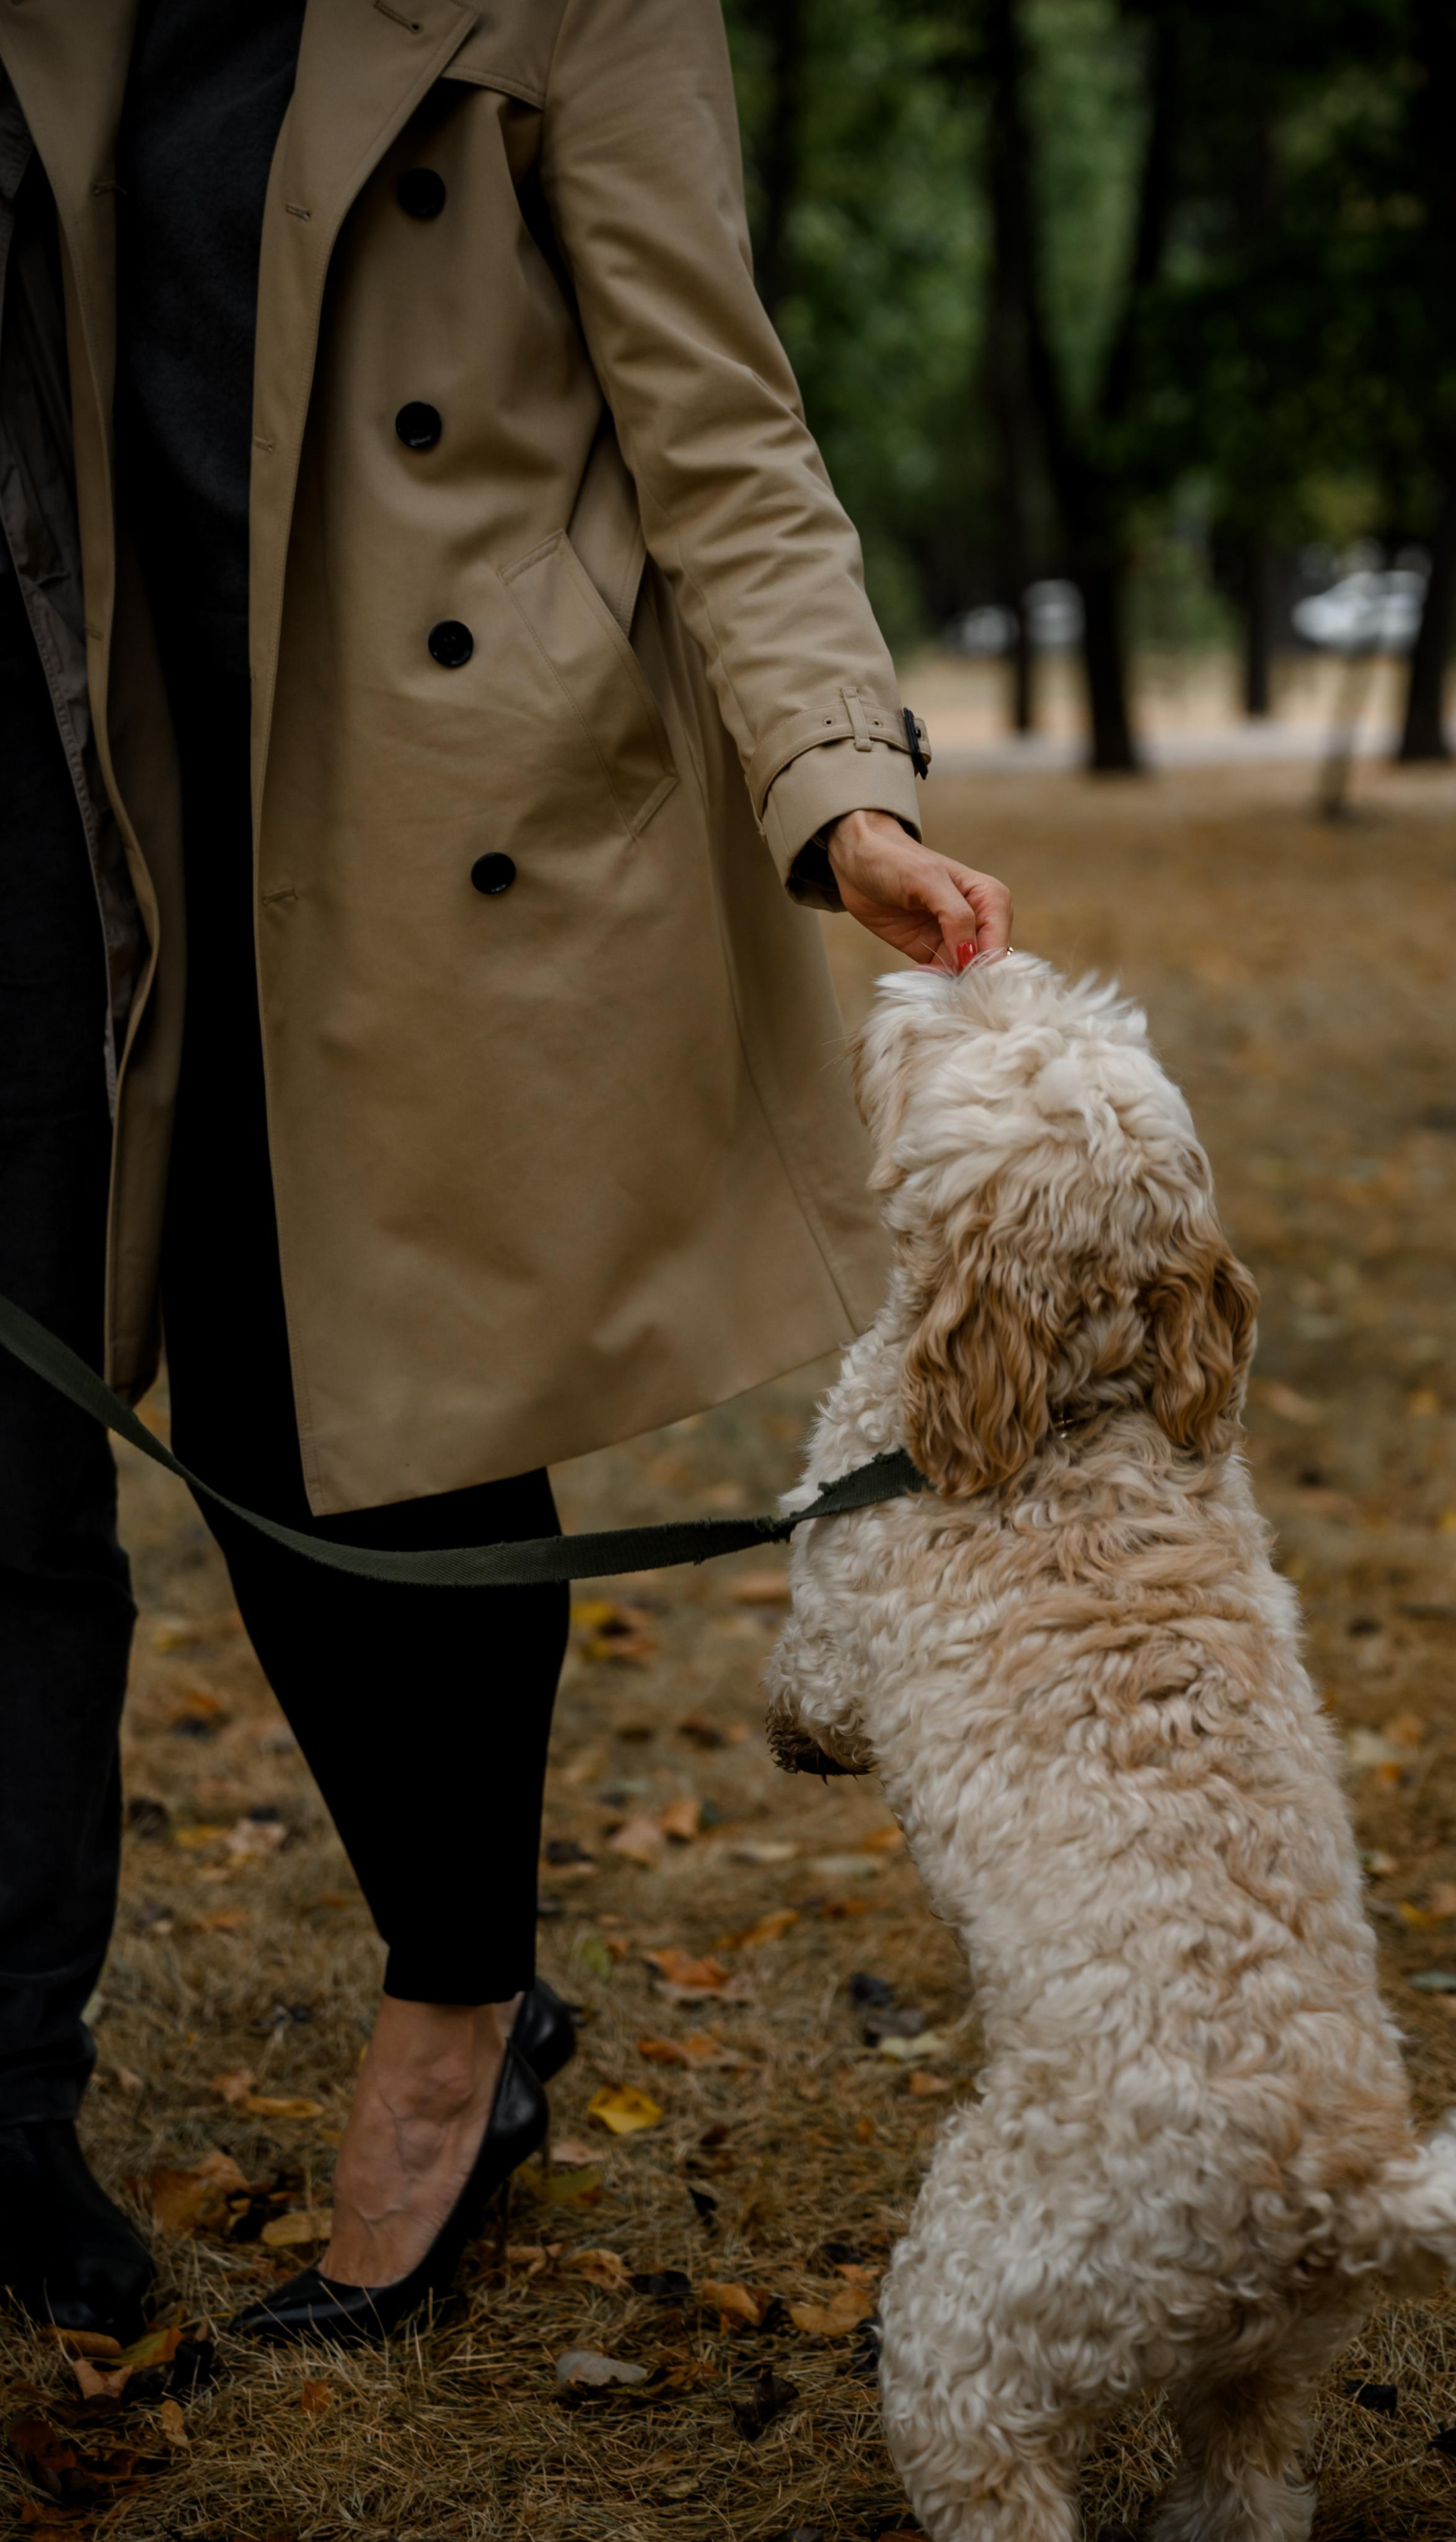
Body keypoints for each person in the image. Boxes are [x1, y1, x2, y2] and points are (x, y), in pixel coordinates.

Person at [0, 0, 1010, 2345]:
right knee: (202, 1412)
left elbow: (723, 425)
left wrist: (844, 785)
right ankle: (356, 2008)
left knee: (392, 1415)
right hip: (121, 770)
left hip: (437, 796)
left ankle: (459, 2009)